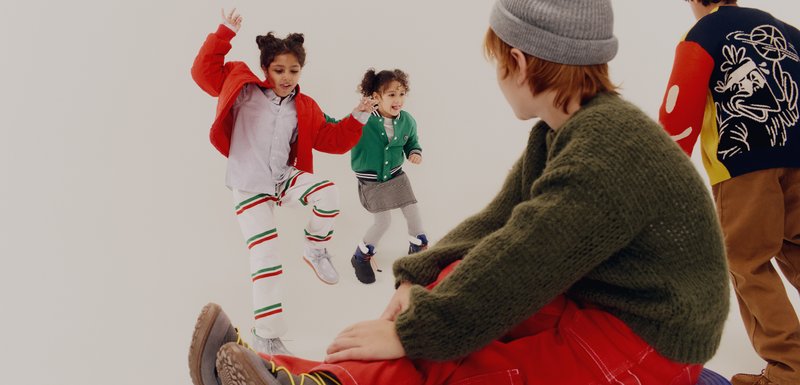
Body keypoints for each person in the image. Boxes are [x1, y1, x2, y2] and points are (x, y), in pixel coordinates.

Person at [189, 1, 730, 384]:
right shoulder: (565, 131)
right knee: (452, 284)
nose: (498, 75)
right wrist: (420, 278)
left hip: (648, 343)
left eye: (498, 63)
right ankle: (304, 381)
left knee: (475, 367)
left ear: (518, 61)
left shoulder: (607, 150)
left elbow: (527, 256)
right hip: (596, 303)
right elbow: (499, 222)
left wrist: (418, 329)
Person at [190, 8, 374, 356]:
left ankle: (315, 248)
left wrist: (360, 113)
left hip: (281, 180)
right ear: (265, 69)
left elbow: (333, 139)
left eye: (294, 70)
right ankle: (267, 336)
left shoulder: (303, 106)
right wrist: (225, 31)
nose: (286, 77)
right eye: (279, 70)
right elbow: (202, 73)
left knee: (329, 193)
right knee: (266, 257)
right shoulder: (243, 89)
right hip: (248, 186)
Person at [659, 1, 800, 384]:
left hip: (742, 166)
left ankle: (790, 371)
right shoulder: (786, 32)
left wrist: (662, 172)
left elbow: (678, 111)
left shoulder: (702, 35)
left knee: (746, 261)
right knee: (795, 248)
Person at [346, 68, 428, 284]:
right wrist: (357, 115)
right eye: (391, 94)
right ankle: (361, 255)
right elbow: (346, 129)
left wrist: (414, 152)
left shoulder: (407, 120)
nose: (398, 100)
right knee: (383, 221)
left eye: (401, 94)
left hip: (395, 175)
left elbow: (412, 141)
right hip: (371, 181)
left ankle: (417, 247)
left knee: (412, 211)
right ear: (376, 97)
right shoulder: (364, 120)